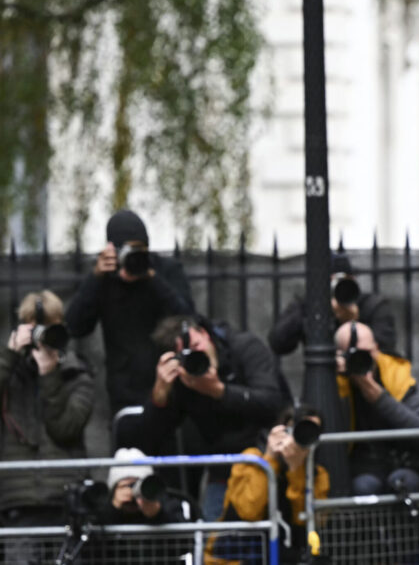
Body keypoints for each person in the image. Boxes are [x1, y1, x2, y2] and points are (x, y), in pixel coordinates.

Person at [137, 315, 282, 520]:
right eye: (189, 354)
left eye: (198, 344)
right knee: (213, 541)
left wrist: (220, 391)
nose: (199, 355)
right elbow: (149, 439)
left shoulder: (244, 347)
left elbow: (272, 402)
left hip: (267, 459)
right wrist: (159, 395)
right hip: (222, 469)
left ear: (205, 334)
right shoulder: (183, 379)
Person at [64, 210, 194, 436]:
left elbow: (187, 316)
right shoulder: (105, 279)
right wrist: (95, 279)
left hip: (171, 384)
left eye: (140, 249)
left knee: (170, 462)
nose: (134, 256)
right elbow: (75, 326)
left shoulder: (164, 270)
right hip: (125, 392)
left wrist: (152, 277)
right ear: (114, 250)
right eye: (128, 250)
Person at [0, 291, 95, 565]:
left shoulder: (77, 374)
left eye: (49, 328)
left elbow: (66, 428)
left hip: (64, 503)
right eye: (34, 328)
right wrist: (9, 356)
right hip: (18, 503)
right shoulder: (10, 374)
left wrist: (50, 373)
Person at [204, 404, 329, 565]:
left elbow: (306, 524)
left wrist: (296, 470)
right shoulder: (251, 459)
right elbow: (248, 513)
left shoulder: (317, 475)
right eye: (299, 428)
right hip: (239, 553)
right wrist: (270, 459)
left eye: (311, 430)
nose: (303, 435)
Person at [335, 320, 419, 495]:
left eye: (367, 352)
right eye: (355, 355)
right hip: (360, 469)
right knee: (364, 486)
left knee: (404, 482)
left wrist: (379, 398)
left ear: (376, 347)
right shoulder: (335, 381)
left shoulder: (397, 376)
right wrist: (338, 380)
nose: (364, 360)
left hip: (404, 463)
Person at [269, 251, 399, 357]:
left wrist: (355, 324)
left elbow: (385, 352)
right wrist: (312, 307)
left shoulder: (372, 306)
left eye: (344, 282)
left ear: (353, 280)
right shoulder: (308, 305)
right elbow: (278, 343)